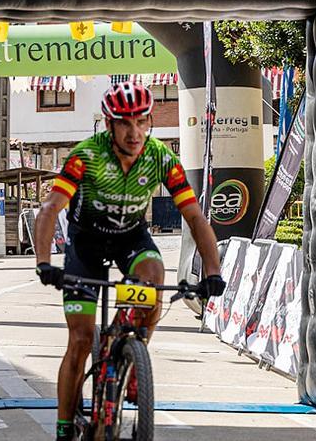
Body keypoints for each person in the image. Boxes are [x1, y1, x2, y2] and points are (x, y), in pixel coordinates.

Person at [34, 82, 225, 441]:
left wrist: (212, 271)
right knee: (80, 338)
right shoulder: (86, 156)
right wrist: (45, 262)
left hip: (129, 239)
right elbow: (49, 209)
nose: (134, 132)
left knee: (153, 280)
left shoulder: (161, 158)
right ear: (109, 125)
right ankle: (63, 427)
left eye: (141, 122)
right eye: (125, 123)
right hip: (86, 243)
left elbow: (196, 218)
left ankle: (133, 351)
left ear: (150, 120)